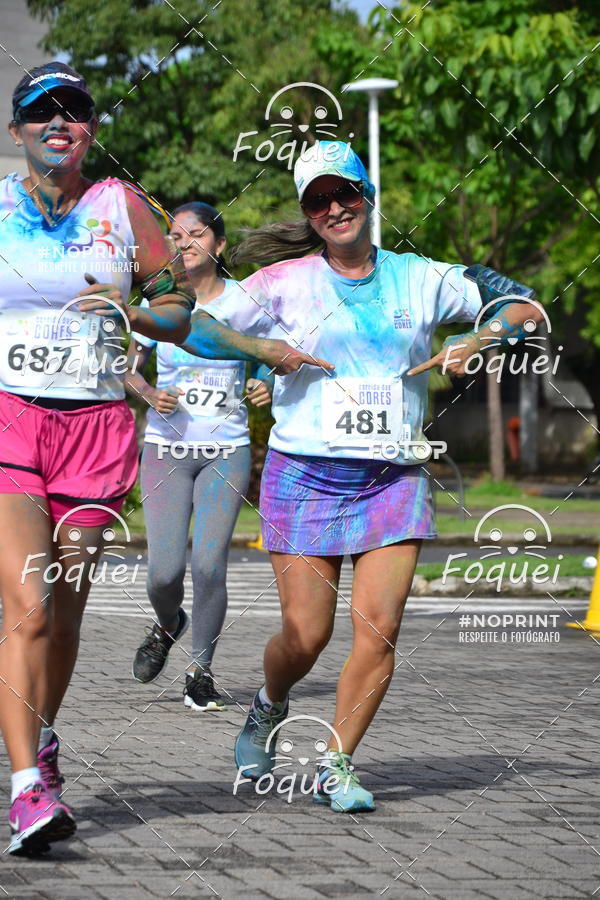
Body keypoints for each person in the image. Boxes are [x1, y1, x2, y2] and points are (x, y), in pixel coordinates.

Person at [0, 62, 326, 856]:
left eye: (73, 109)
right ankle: (23, 790)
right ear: (17, 131)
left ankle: (42, 742)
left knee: (66, 610)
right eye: (40, 110)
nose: (58, 120)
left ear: (91, 129)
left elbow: (178, 306)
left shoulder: (123, 206)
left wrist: (138, 309)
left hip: (97, 429)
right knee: (30, 606)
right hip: (10, 421)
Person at [195, 140, 541, 812]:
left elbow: (522, 306)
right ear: (308, 212)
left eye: (343, 193)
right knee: (306, 634)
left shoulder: (420, 276)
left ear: (367, 196)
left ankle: (337, 763)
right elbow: (201, 325)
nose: (333, 208)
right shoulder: (282, 282)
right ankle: (268, 706)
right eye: (317, 200)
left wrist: (479, 338)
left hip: (393, 477)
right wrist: (262, 350)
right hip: (305, 475)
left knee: (379, 628)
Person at [126, 202, 272, 709]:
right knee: (163, 574)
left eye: (195, 234)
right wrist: (148, 394)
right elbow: (127, 369)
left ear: (219, 245)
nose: (183, 242)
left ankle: (200, 670)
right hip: (166, 449)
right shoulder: (163, 302)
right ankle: (169, 623)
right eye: (174, 235)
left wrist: (263, 381)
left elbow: (271, 354)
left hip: (225, 450)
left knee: (209, 564)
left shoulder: (246, 302)